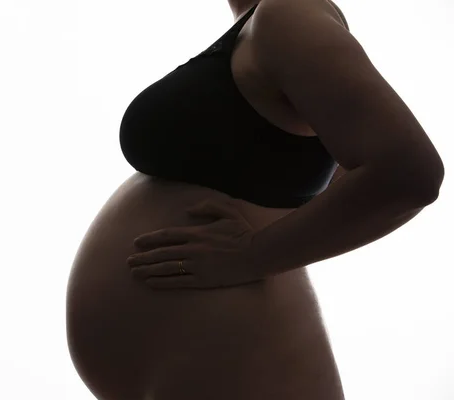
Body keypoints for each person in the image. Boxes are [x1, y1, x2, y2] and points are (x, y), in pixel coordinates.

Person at [66, 0, 444, 399]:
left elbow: (409, 172)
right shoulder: (261, 26)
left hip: (237, 349)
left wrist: (252, 254)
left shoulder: (288, 14)